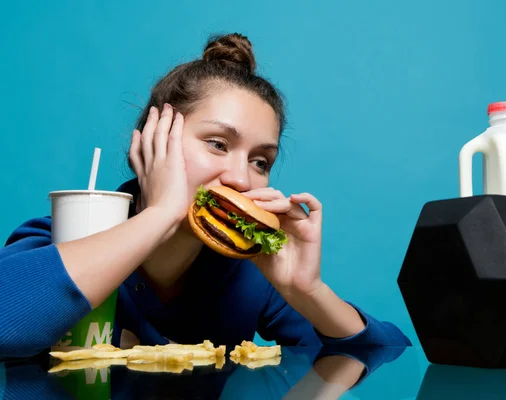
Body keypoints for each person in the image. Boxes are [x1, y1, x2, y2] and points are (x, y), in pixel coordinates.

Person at [0, 33, 411, 357]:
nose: (241, 179)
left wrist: (307, 291)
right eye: (217, 143)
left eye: (260, 162)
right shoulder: (57, 241)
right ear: (152, 142)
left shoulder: (247, 273)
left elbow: (385, 356)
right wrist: (160, 215)